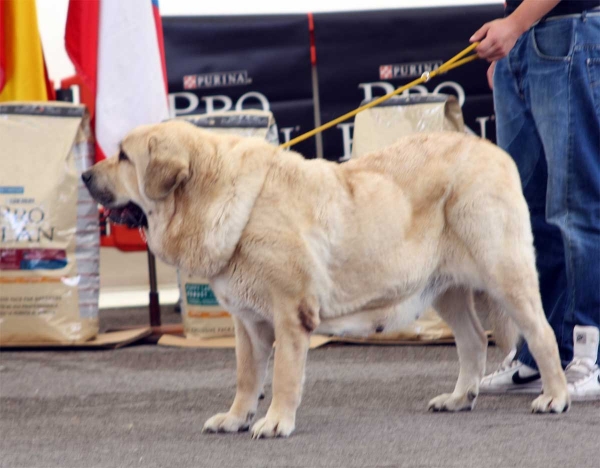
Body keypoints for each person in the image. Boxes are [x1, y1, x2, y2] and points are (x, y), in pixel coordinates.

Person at [470, 0, 600, 400]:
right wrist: (515, 42)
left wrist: (514, 25)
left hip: (568, 29)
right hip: (527, 39)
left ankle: (589, 355)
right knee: (527, 213)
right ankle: (540, 353)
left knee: (575, 208)